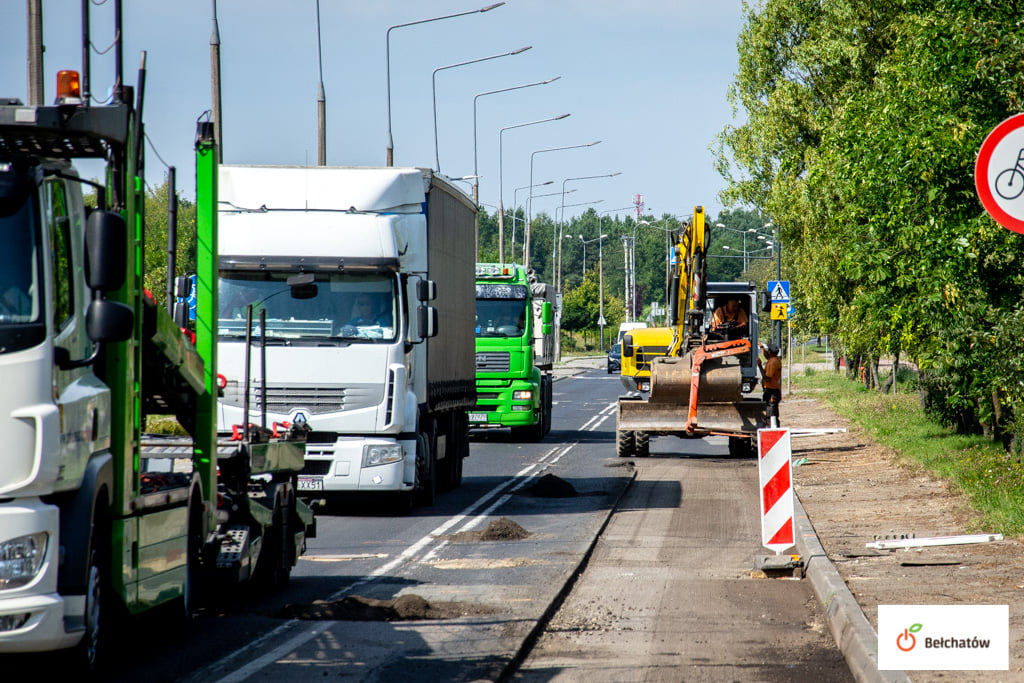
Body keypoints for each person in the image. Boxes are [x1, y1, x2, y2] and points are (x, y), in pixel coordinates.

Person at [758, 342, 782, 425]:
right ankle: (775, 427)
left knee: (770, 413)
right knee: (774, 412)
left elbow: (767, 378)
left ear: (770, 352)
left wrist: (759, 366)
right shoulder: (776, 359)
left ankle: (771, 429)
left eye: (768, 349)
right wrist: (761, 347)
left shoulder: (772, 363)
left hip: (771, 391)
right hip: (774, 389)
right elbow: (767, 356)